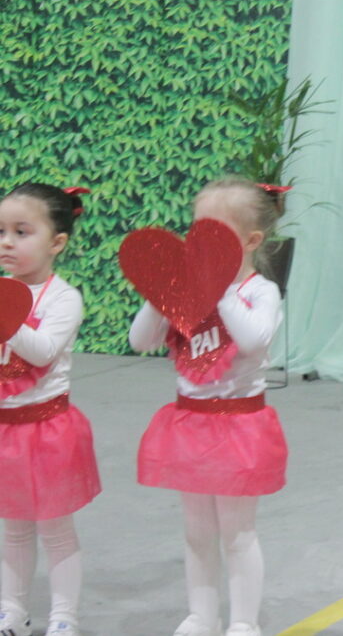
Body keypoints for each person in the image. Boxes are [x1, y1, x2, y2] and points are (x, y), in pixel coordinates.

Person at [128, 177, 288, 636]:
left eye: (215, 233)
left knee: (237, 533)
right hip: (190, 426)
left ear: (251, 241)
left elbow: (254, 340)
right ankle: (202, 615)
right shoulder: (184, 289)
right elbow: (141, 340)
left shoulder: (259, 292)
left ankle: (243, 622)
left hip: (239, 426)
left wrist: (218, 285)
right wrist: (161, 293)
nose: (199, 243)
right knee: (197, 531)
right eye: (196, 230)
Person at [0, 184, 101, 636]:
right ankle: (11, 610)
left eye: (21, 232)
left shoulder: (63, 298)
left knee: (55, 530)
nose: (7, 242)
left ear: (56, 242)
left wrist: (5, 315)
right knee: (14, 529)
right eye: (0, 231)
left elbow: (41, 351)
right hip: (5, 430)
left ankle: (64, 617)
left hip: (46, 430)